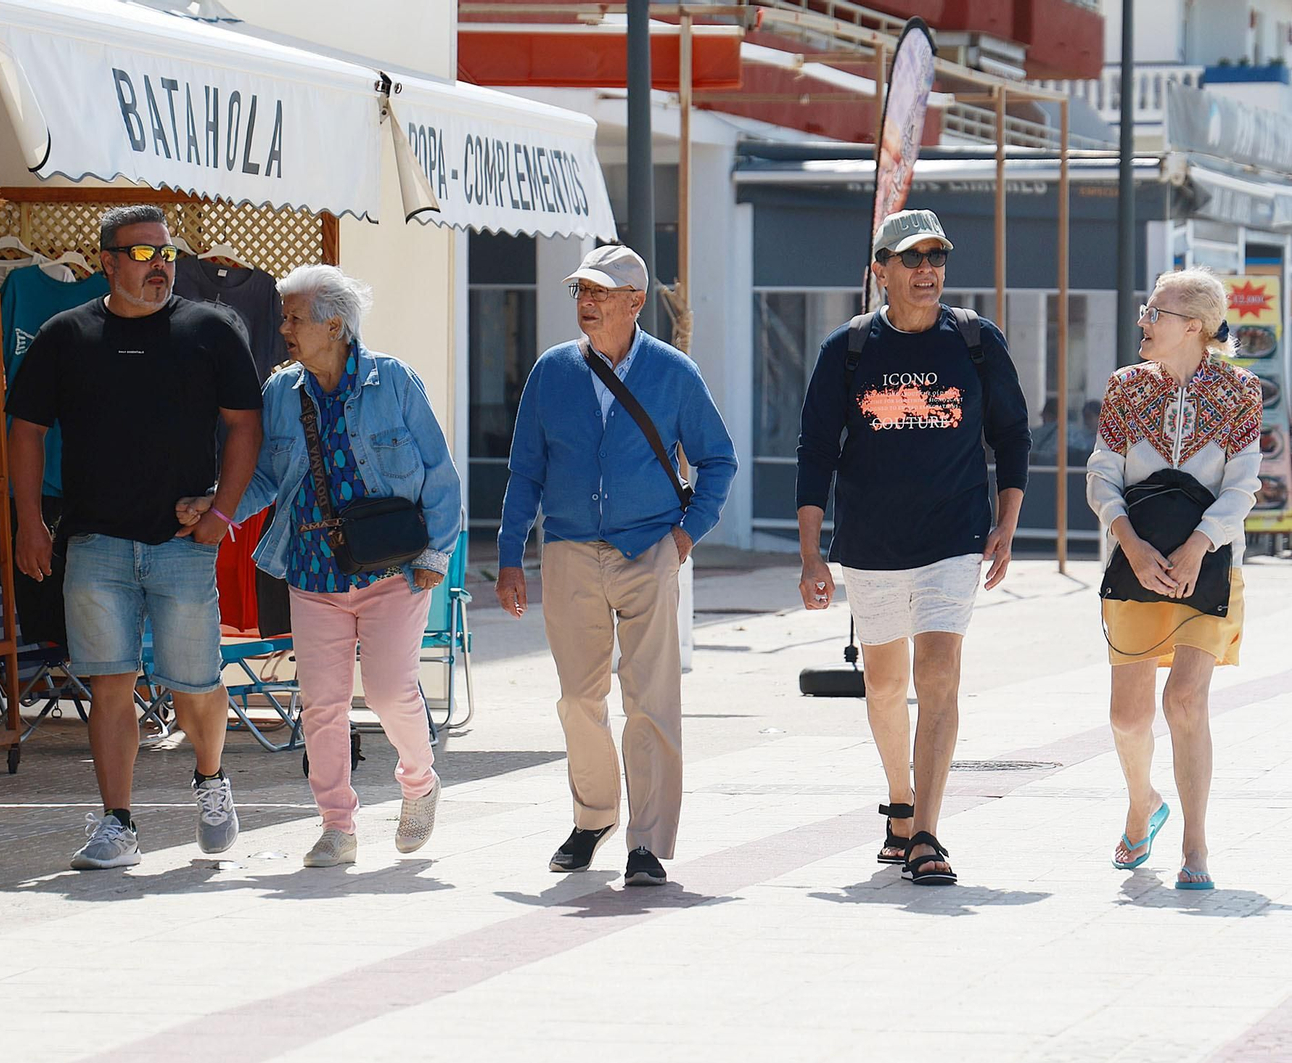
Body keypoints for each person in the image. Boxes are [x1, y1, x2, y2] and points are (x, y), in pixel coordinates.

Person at [7, 205, 265, 870]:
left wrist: (222, 512)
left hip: (182, 543)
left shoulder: (210, 329)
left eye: (167, 251)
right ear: (108, 262)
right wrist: (29, 520)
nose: (161, 265)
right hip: (94, 542)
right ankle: (118, 824)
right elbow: (26, 430)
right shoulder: (66, 335)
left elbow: (245, 425)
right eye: (144, 254)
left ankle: (210, 781)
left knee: (195, 679)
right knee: (110, 682)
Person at [181, 264, 461, 868]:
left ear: (334, 324)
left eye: (294, 318)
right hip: (312, 569)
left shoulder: (395, 382)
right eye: (283, 316)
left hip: (394, 566)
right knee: (322, 703)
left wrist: (437, 552)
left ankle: (419, 781)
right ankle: (338, 825)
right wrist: (218, 507)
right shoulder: (282, 393)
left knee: (389, 691)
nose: (284, 327)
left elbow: (440, 473)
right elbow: (262, 478)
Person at [795, 208, 1031, 886]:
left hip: (954, 537)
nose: (928, 269)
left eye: (937, 256)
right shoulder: (849, 349)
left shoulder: (975, 341)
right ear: (881, 270)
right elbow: (815, 451)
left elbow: (1013, 436)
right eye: (912, 257)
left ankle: (927, 831)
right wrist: (812, 554)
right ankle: (899, 803)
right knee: (887, 683)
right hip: (869, 542)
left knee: (937, 675)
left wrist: (1006, 525)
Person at [496, 243, 737, 887]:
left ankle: (649, 842)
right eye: (581, 291)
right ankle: (594, 816)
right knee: (579, 699)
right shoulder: (552, 372)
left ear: (636, 303)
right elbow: (525, 469)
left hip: (648, 547)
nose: (588, 302)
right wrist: (510, 554)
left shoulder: (675, 373)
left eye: (601, 293)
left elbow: (718, 459)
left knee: (652, 700)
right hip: (570, 550)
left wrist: (685, 536)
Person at [1088, 268, 1262, 891]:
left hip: (1207, 566)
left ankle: (1195, 840)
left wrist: (1197, 545)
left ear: (1194, 326)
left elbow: (1243, 485)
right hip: (1136, 563)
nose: (1143, 320)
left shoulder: (1242, 392)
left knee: (1183, 699)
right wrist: (1129, 543)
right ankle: (1144, 805)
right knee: (1128, 719)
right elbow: (1102, 475)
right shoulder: (1126, 388)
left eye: (1154, 312)